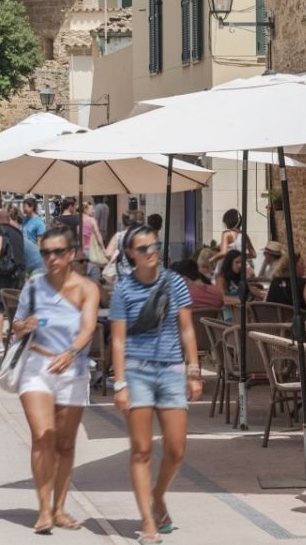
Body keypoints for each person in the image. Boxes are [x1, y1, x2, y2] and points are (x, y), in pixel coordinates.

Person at [110, 225, 202, 544]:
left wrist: (194, 369)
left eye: (155, 246)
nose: (152, 252)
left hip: (172, 369)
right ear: (130, 254)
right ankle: (148, 521)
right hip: (136, 370)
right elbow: (118, 340)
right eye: (143, 248)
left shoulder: (174, 281)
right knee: (142, 450)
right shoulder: (123, 289)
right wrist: (119, 383)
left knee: (176, 449)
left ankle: (158, 495)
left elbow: (187, 329)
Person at [11, 227, 100, 533]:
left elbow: (89, 328)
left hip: (73, 370)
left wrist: (72, 353)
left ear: (71, 254)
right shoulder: (33, 287)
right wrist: (25, 324)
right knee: (42, 435)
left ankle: (59, 508)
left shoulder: (87, 288)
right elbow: (16, 326)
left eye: (57, 252)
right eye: (46, 252)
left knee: (64, 443)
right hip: (37, 366)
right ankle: (43, 510)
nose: (51, 258)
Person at [0, 208, 26, 354]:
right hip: (20, 273)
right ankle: (14, 339)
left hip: (5, 272)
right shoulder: (18, 232)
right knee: (15, 307)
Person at [215, 250, 262, 323]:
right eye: (237, 262)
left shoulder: (240, 277)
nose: (240, 265)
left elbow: (252, 291)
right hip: (230, 316)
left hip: (244, 313)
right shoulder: (222, 278)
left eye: (241, 262)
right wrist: (241, 302)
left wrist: (263, 294)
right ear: (229, 263)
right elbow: (222, 298)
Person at [21, 196, 47, 277]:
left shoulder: (39, 223)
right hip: (24, 254)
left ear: (31, 207)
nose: (23, 209)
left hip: (34, 256)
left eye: (24, 206)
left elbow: (40, 241)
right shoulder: (24, 220)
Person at [80, 202, 104, 271]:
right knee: (94, 271)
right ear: (85, 210)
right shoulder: (92, 220)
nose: (94, 211)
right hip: (91, 250)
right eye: (92, 209)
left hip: (81, 250)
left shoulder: (78, 220)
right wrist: (103, 248)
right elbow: (98, 234)